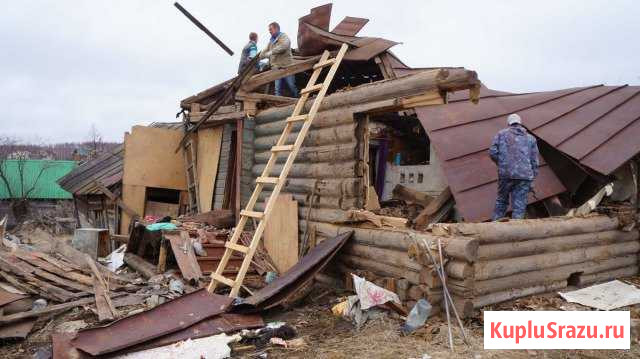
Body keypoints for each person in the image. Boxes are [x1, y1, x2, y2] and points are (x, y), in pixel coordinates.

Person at [489, 113, 539, 220]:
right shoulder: (531, 139)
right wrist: (532, 176)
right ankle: (516, 230)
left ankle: (495, 226)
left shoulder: (501, 134)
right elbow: (534, 160)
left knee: (502, 201)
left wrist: (503, 164)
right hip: (525, 176)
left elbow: (492, 152)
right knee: (519, 206)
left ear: (508, 123)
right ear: (520, 123)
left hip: (506, 174)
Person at [260, 22, 298, 97]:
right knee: (277, 89)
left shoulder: (284, 37)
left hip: (286, 67)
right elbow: (263, 53)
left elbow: (284, 46)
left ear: (276, 28)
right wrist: (260, 57)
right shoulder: (271, 41)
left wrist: (271, 52)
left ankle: (298, 99)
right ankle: (278, 105)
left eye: (271, 29)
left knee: (291, 86)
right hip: (276, 68)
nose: (269, 31)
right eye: (269, 30)